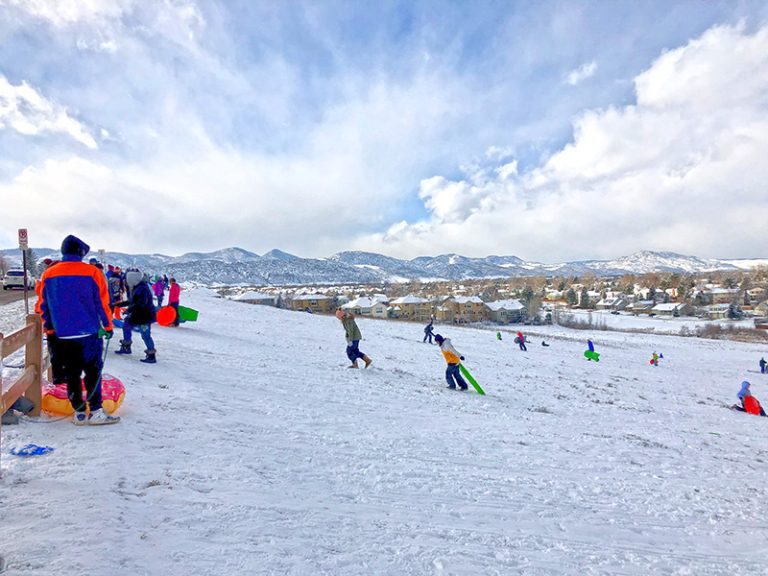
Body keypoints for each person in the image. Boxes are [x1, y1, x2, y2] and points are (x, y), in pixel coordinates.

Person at [38, 234, 118, 425]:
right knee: (92, 372)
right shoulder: (92, 272)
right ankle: (96, 411)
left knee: (71, 374)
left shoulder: (49, 273)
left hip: (62, 334)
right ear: (81, 252)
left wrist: (49, 328)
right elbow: (103, 303)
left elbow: (43, 305)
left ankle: (79, 413)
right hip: (88, 333)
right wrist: (107, 326)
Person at [114, 269, 157, 363]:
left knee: (145, 335)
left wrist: (129, 309)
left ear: (132, 279)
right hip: (136, 314)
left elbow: (141, 303)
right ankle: (126, 346)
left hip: (144, 316)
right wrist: (118, 305)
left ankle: (151, 355)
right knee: (126, 326)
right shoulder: (134, 287)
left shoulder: (143, 288)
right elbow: (132, 301)